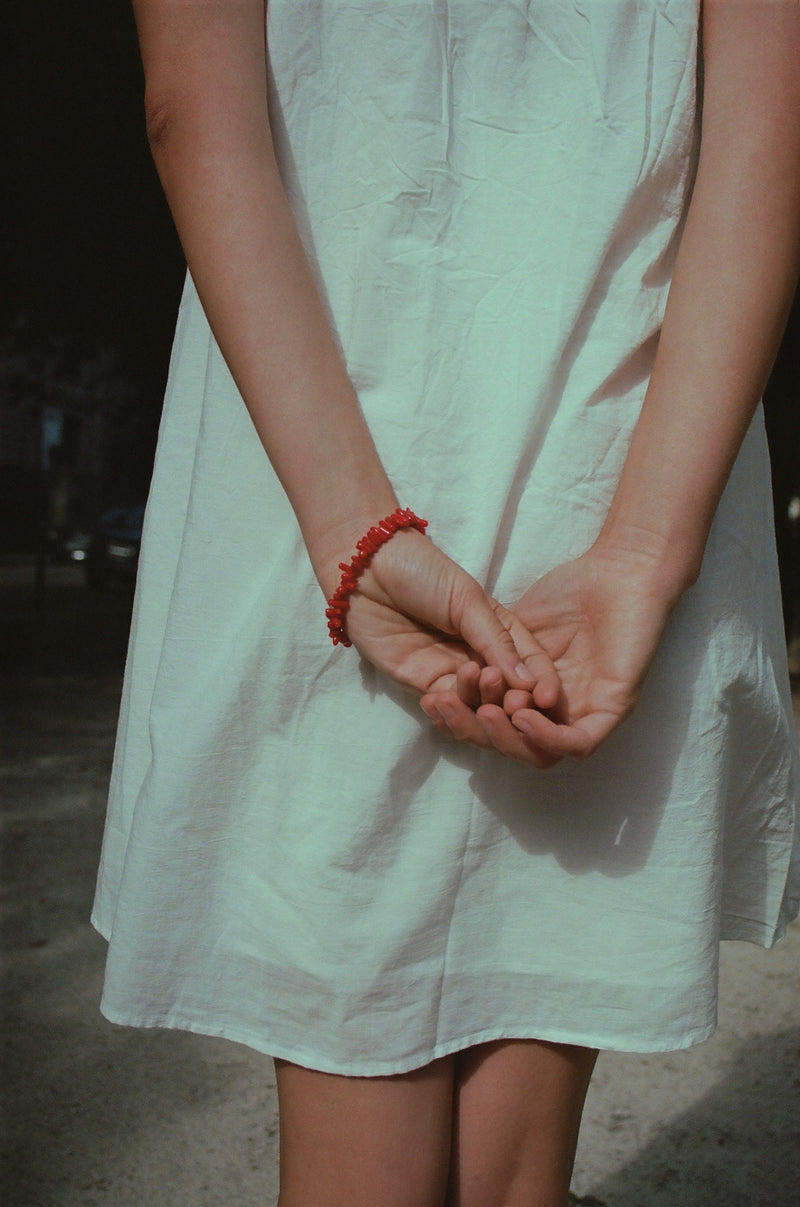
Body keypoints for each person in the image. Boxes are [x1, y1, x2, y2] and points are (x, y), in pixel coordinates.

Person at [93, 2, 800, 1204]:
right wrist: (638, 552)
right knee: (517, 1168)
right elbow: (765, 128)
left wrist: (354, 537)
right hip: (618, 449)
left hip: (318, 442)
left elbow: (192, 112)